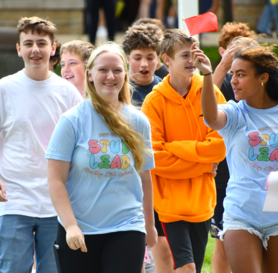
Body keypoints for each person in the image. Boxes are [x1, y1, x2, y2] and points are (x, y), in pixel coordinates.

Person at [0, 17, 83, 273]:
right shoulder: (3, 89)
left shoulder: (67, 92)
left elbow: (83, 143)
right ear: (18, 48)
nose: (35, 49)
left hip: (56, 202)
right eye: (29, 43)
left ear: (53, 48)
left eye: (42, 43)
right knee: (13, 268)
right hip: (14, 199)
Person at [46, 42, 158, 273]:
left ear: (125, 74)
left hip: (127, 227)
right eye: (103, 70)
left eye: (117, 70)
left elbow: (145, 179)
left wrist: (149, 225)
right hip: (80, 230)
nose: (110, 76)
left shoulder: (138, 121)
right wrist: (71, 226)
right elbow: (56, 180)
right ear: (89, 75)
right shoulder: (72, 120)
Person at [141, 29, 226, 273]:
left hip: (202, 201)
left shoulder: (210, 93)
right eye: (185, 56)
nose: (192, 61)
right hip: (169, 204)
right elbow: (156, 157)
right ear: (166, 60)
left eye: (194, 54)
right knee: (186, 268)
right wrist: (202, 163)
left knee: (194, 269)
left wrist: (175, 148)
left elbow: (219, 148)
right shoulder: (154, 102)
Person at [198, 43, 278, 273]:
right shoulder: (235, 112)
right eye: (233, 74)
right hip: (241, 215)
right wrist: (206, 74)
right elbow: (211, 118)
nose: (233, 80)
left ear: (262, 78)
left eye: (241, 75)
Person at [122, 22, 172, 273]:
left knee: (162, 247)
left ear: (159, 59)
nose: (143, 64)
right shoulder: (117, 90)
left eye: (150, 58)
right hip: (124, 179)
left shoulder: (166, 89)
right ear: (127, 58)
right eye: (137, 58)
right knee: (132, 251)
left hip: (161, 180)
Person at [211, 22, 255, 273]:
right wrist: (223, 67)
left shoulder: (266, 85)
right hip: (226, 172)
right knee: (223, 242)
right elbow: (204, 101)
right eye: (232, 50)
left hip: (263, 175)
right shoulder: (227, 82)